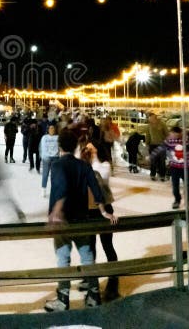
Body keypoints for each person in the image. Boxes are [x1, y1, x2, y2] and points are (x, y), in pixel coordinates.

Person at [44, 130, 118, 312]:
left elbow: (61, 188)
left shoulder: (58, 165)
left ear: (60, 146)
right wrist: (103, 211)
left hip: (64, 220)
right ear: (76, 146)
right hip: (82, 219)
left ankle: (63, 299)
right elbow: (96, 188)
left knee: (63, 258)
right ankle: (93, 296)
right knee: (87, 257)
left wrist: (56, 211)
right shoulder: (84, 166)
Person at [85, 141, 119, 301]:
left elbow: (99, 180)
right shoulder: (85, 164)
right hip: (89, 211)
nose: (89, 150)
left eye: (92, 147)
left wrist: (90, 161)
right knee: (89, 248)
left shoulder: (104, 165)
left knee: (107, 246)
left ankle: (113, 284)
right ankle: (91, 279)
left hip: (104, 208)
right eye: (88, 148)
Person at [39, 124, 59, 197]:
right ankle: (43, 189)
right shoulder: (44, 137)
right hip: (46, 158)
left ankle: (54, 190)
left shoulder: (58, 137)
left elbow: (60, 147)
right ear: (48, 129)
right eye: (50, 128)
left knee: (54, 175)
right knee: (45, 174)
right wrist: (42, 157)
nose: (52, 130)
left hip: (55, 158)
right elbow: (40, 147)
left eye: (53, 128)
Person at [147, 113, 167, 181]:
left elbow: (167, 134)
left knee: (162, 161)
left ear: (155, 117)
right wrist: (147, 144)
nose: (151, 120)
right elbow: (148, 135)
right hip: (152, 145)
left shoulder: (162, 124)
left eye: (152, 118)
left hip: (161, 145)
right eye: (150, 119)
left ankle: (162, 175)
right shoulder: (149, 125)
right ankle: (152, 174)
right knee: (153, 161)